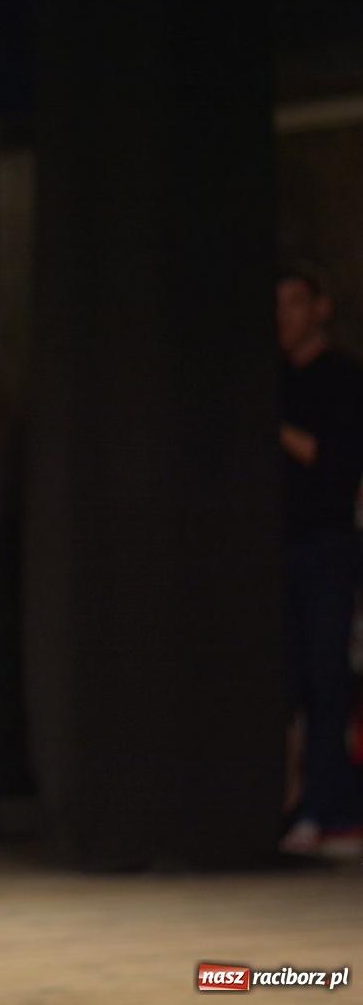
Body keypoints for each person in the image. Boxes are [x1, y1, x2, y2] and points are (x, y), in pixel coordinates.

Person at [275, 268, 363, 859]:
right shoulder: (274, 378)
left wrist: (279, 430)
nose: (283, 316)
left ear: (321, 309)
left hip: (328, 546)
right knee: (287, 679)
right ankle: (293, 806)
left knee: (327, 679)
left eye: (294, 303)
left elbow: (336, 464)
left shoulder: (343, 380)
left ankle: (329, 813)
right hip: (276, 547)